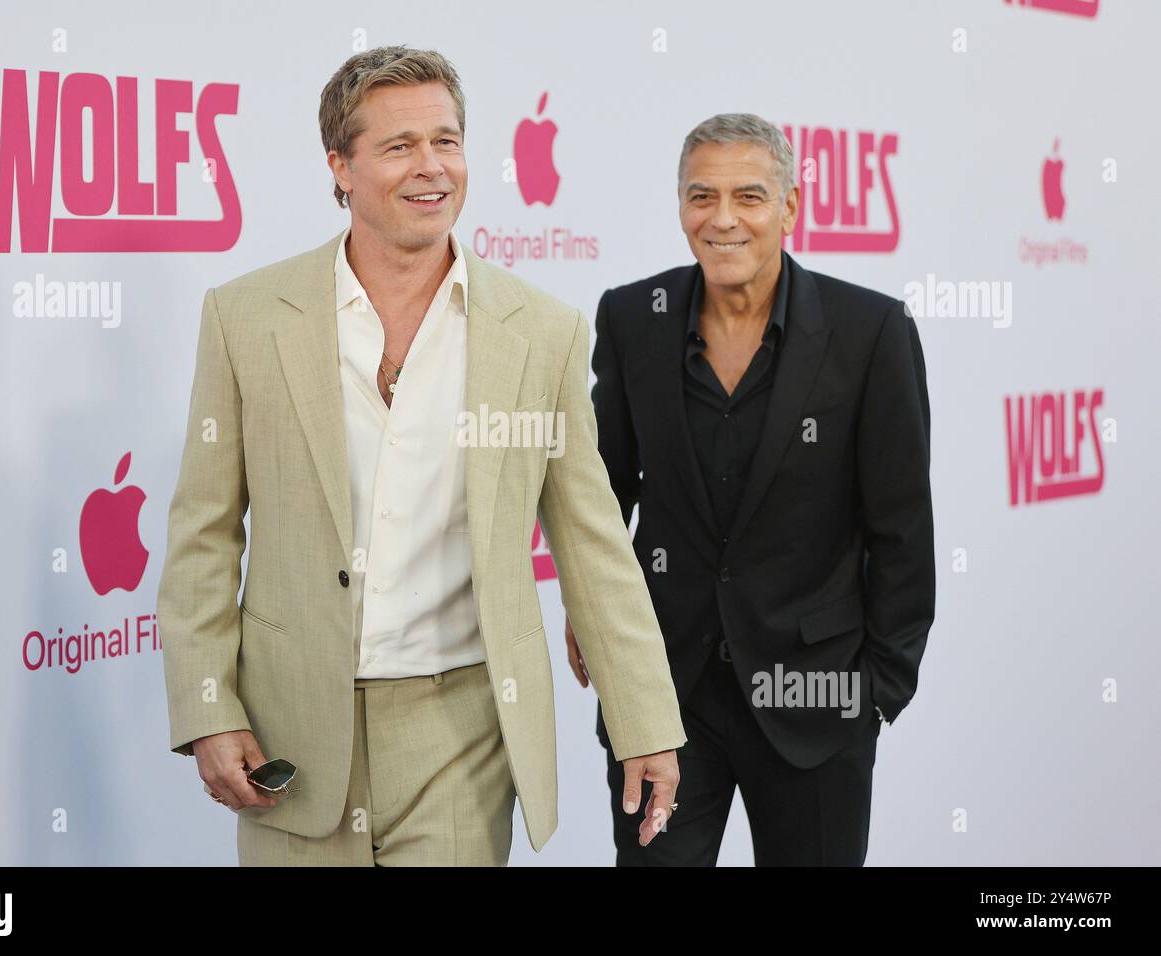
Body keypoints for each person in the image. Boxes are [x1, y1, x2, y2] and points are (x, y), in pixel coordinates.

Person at [157, 45, 685, 866]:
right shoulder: (247, 318)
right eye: (399, 146)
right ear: (339, 164)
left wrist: (644, 718)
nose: (430, 167)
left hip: (461, 735)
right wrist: (206, 707)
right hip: (290, 730)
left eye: (447, 140)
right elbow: (203, 534)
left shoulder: (540, 331)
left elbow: (591, 539)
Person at [571, 112, 934, 866]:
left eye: (750, 196)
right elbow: (599, 499)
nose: (723, 218)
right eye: (702, 196)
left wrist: (877, 693)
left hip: (817, 700)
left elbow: (902, 526)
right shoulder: (636, 317)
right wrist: (592, 616)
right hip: (665, 691)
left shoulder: (869, 331)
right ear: (680, 208)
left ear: (791, 208)